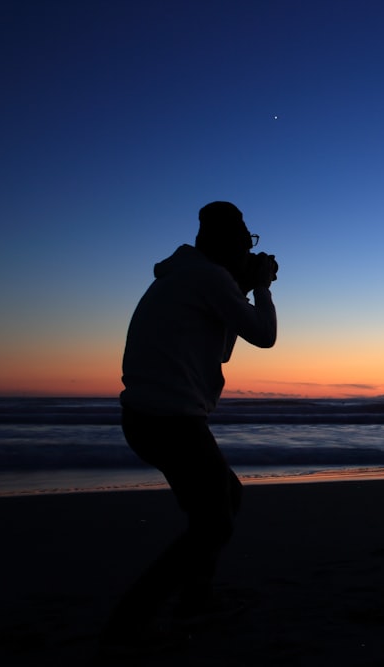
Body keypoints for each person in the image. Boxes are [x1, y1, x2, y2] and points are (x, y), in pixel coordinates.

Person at [101, 201, 278, 651]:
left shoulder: (188, 276)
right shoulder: (208, 278)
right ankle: (129, 623)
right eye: (245, 242)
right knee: (214, 524)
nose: (248, 249)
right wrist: (260, 288)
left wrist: (239, 283)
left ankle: (195, 600)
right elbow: (264, 335)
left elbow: (219, 350)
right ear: (226, 245)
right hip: (170, 419)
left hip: (150, 417)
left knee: (224, 500)